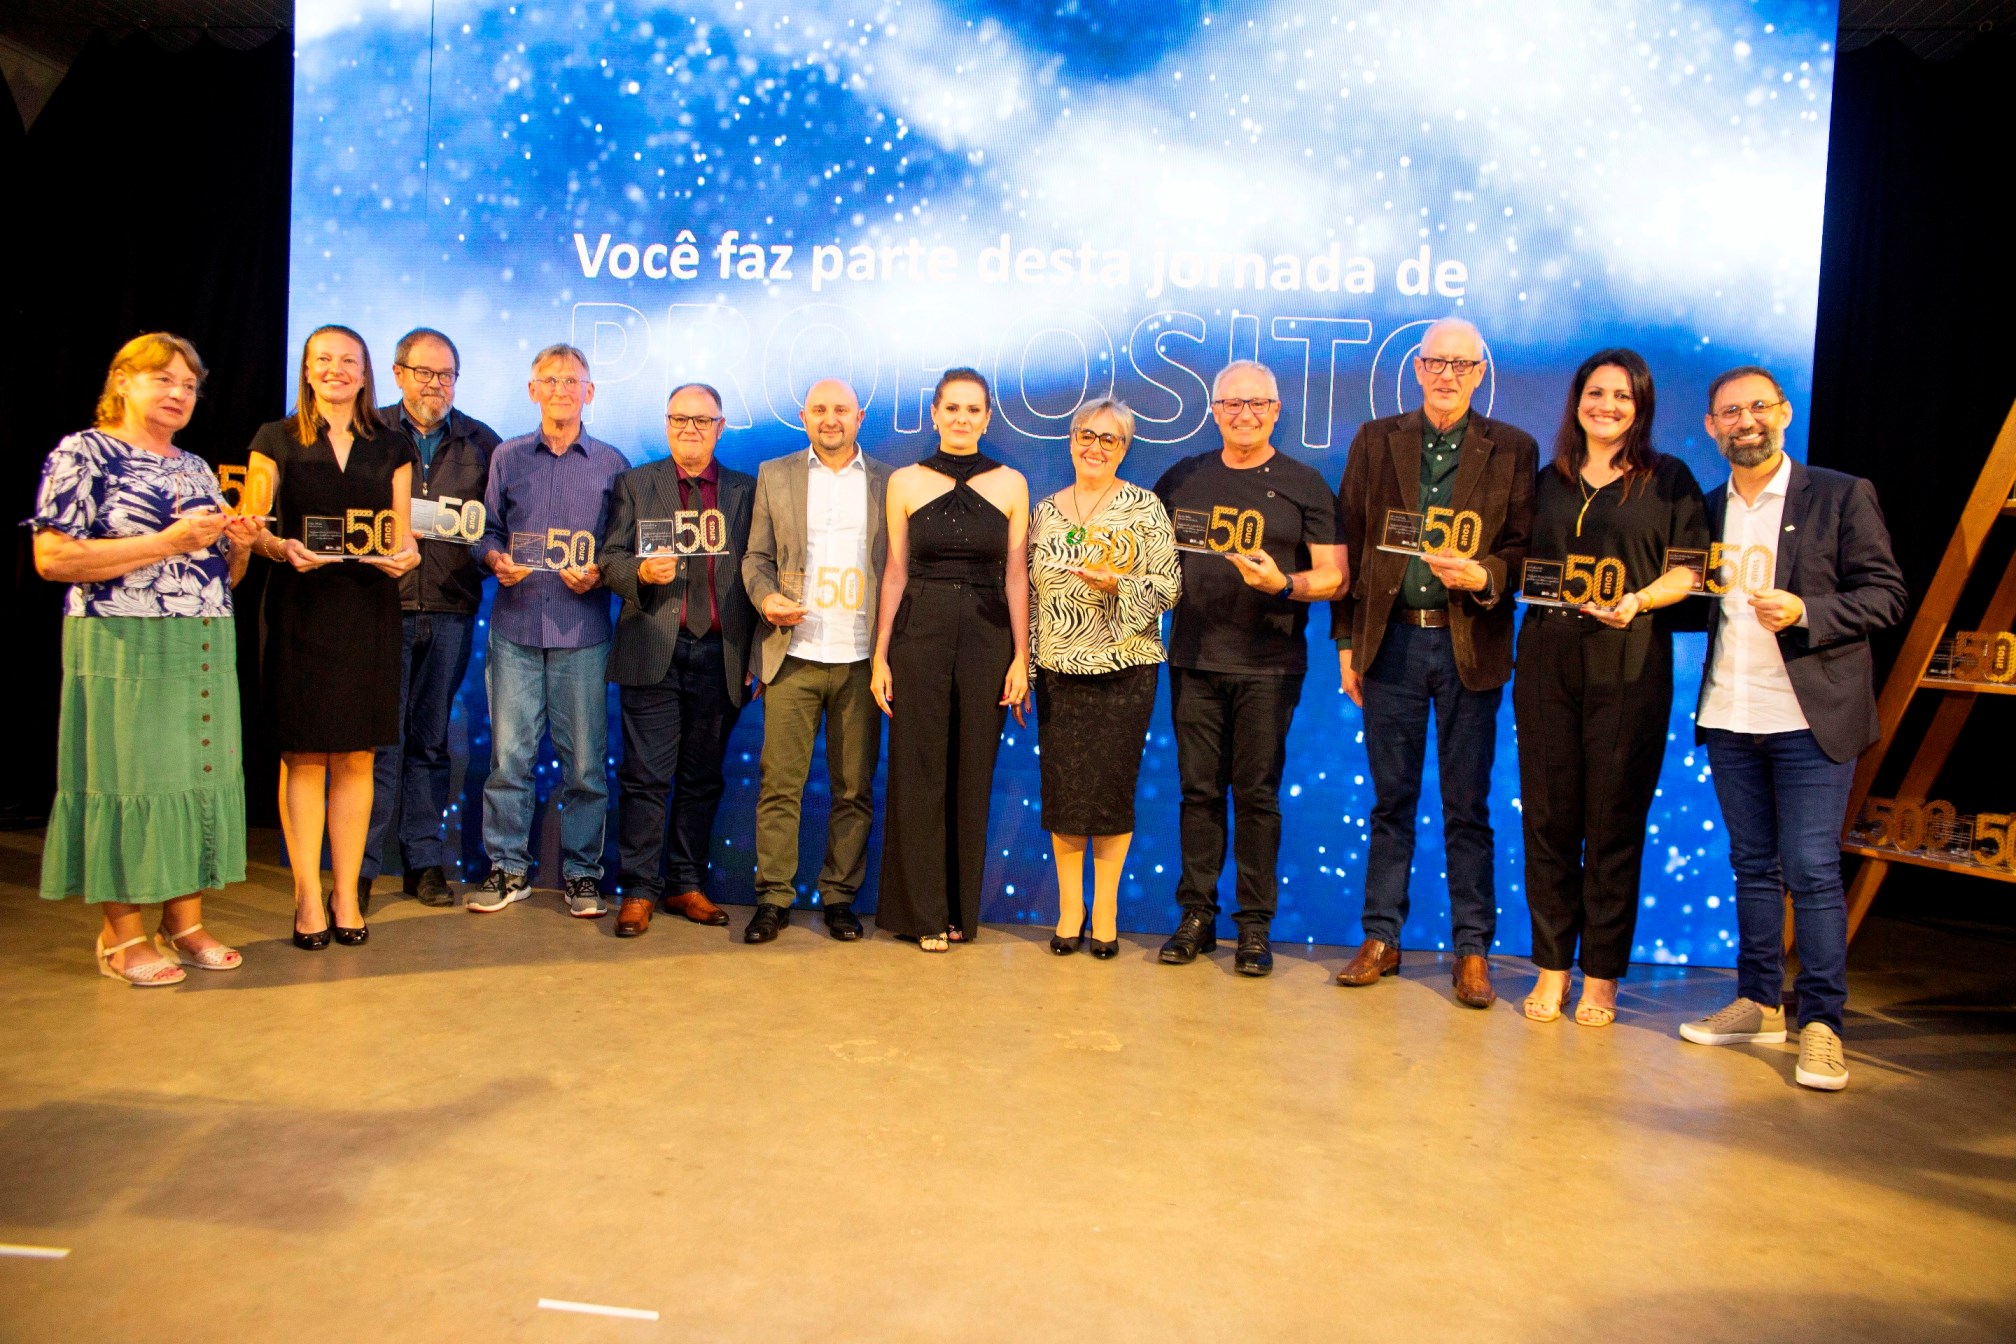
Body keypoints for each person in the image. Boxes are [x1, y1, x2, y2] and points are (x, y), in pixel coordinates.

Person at [1678, 366, 1905, 1090]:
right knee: (1753, 867)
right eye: (1729, 412)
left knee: (1810, 871)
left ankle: (1823, 1024)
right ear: (1712, 427)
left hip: (1810, 718)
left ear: (1782, 413)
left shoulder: (1839, 494)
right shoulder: (1704, 510)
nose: (1745, 421)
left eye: (1758, 407)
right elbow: (1688, 598)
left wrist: (1808, 612)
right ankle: (1757, 1002)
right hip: (1730, 712)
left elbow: (1887, 595)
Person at [33, 333, 261, 984]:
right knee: (131, 778)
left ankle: (184, 925)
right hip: (123, 640)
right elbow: (53, 558)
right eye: (163, 379)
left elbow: (219, 576)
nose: (178, 394)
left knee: (196, 777)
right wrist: (167, 541)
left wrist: (240, 545)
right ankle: (122, 935)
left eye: (189, 385)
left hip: (203, 639)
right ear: (122, 381)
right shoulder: (84, 452)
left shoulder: (195, 467)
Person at [1332, 318, 1536, 1008]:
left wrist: (1486, 576)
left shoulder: (1513, 448)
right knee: (1391, 800)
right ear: (1417, 368)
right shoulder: (1375, 440)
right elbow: (1352, 543)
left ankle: (1472, 950)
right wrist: (1346, 644)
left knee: (1466, 805)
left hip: (1468, 646)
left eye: (1462, 364)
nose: (1447, 375)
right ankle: (1380, 938)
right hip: (1389, 645)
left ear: (1480, 373)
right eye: (1436, 363)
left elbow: (1523, 548)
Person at [1513, 350, 1710, 1026]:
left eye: (1622, 396)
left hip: (1630, 655)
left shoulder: (1668, 478)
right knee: (1547, 819)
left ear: (1641, 406)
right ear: (1577, 401)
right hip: (1546, 655)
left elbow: (1690, 570)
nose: (1607, 406)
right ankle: (1551, 969)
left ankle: (1600, 977)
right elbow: (1516, 561)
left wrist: (1639, 600)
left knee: (1612, 821)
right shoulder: (1547, 480)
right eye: (1596, 393)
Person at [1153, 360, 1346, 976]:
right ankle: (1197, 915)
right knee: (1198, 792)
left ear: (1276, 410)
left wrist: (1284, 584)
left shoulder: (1305, 484)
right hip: (1194, 659)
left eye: (1257, 403)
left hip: (1270, 665)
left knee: (1257, 795)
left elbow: (1336, 577)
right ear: (1214, 411)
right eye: (1232, 404)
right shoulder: (1181, 478)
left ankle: (1255, 927)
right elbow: (1147, 561)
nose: (1245, 414)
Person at [244, 324, 421, 949]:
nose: (336, 369)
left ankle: (345, 893)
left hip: (368, 610)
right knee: (303, 755)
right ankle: (305, 897)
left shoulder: (393, 445)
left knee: (356, 755)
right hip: (299, 608)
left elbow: (402, 534)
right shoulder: (274, 439)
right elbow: (254, 525)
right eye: (324, 359)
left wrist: (407, 556)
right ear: (307, 368)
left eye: (349, 360)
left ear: (366, 373)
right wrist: (277, 547)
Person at [871, 368, 1030, 952]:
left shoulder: (1012, 483)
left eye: (973, 409)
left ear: (987, 418)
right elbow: (895, 572)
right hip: (920, 636)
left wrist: (1022, 657)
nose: (962, 418)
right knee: (918, 772)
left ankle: (960, 911)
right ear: (934, 413)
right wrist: (881, 655)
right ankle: (924, 914)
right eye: (952, 408)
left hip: (989, 639)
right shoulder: (905, 481)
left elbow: (1017, 577)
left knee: (972, 772)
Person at [469, 344, 630, 917]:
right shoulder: (508, 457)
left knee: (585, 765)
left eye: (572, 381)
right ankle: (508, 868)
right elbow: (485, 531)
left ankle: (583, 875)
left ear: (590, 392)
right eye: (550, 380)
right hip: (515, 628)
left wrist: (601, 573)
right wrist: (494, 560)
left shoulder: (612, 464)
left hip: (582, 632)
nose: (561, 389)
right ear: (533, 390)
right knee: (508, 760)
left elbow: (622, 547)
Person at [739, 378, 891, 944]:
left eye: (841, 410)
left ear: (859, 417)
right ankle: (773, 899)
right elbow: (755, 558)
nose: (830, 418)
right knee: (780, 786)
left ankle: (839, 897)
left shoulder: (888, 482)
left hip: (861, 659)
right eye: (820, 409)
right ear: (803, 416)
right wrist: (765, 600)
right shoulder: (774, 474)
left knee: (854, 789)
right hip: (793, 655)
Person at [601, 384, 757, 937]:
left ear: (720, 427)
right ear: (667, 425)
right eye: (679, 419)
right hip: (653, 648)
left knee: (702, 778)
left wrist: (756, 652)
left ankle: (685, 884)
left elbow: (759, 568)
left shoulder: (745, 491)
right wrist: (640, 573)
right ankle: (639, 890)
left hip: (721, 653)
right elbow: (609, 558)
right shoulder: (635, 484)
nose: (690, 429)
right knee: (645, 778)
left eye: (701, 420)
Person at [1030, 397, 1180, 959]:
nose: (1095, 447)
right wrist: (1027, 667)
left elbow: (1169, 588)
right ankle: (1070, 911)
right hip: (1058, 671)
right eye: (1086, 436)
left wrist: (1119, 584)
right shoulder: (1045, 511)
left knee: (1111, 791)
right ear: (1071, 441)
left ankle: (1108, 913)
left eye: (1108, 439)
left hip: (1125, 670)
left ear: (1124, 448)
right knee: (1065, 793)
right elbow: (1029, 595)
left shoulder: (1145, 508)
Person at [359, 327, 501, 910]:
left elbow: (498, 527)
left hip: (450, 609)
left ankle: (423, 863)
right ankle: (360, 868)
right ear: (397, 374)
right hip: (378, 609)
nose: (435, 385)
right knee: (376, 744)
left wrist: (495, 558)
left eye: (446, 375)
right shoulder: (367, 433)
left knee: (430, 743)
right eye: (424, 373)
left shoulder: (483, 443)